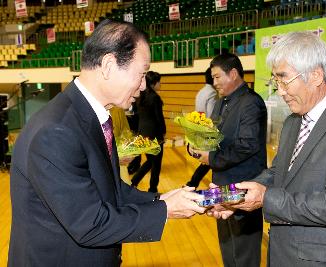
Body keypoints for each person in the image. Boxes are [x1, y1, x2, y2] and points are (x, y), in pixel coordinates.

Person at [8, 19, 205, 267]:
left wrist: (162, 199)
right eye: (141, 74)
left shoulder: (92, 116)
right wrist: (165, 210)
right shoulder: (57, 131)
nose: (143, 86)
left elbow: (111, 189)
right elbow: (89, 223)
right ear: (110, 65)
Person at [210, 31, 326, 266]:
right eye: (275, 81)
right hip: (284, 253)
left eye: (284, 79)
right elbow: (278, 173)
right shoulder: (294, 121)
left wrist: (265, 199)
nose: (279, 91)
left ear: (315, 75)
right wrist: (236, 196)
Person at [193, 53, 267, 267]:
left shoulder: (251, 103)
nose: (214, 82)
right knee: (227, 247)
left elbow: (248, 145)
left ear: (233, 74)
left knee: (245, 252)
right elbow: (215, 137)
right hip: (221, 183)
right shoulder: (220, 102)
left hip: (245, 186)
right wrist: (198, 145)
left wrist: (212, 157)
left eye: (217, 77)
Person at [131, 71, 166, 193]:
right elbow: (159, 118)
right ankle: (152, 189)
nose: (160, 84)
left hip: (143, 134)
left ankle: (133, 182)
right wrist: (163, 132)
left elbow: (136, 115)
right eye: (159, 82)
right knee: (156, 165)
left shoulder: (140, 96)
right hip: (154, 135)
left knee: (150, 161)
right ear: (153, 83)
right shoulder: (155, 97)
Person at [185, 67, 218, 188]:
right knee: (213, 159)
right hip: (208, 132)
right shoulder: (213, 93)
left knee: (209, 161)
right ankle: (193, 184)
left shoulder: (202, 91)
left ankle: (192, 184)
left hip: (199, 129)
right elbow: (212, 116)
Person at [126, 102, 141, 174]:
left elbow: (137, 114)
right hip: (132, 126)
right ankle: (133, 165)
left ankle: (136, 166)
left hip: (136, 126)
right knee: (133, 147)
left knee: (136, 147)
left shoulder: (137, 101)